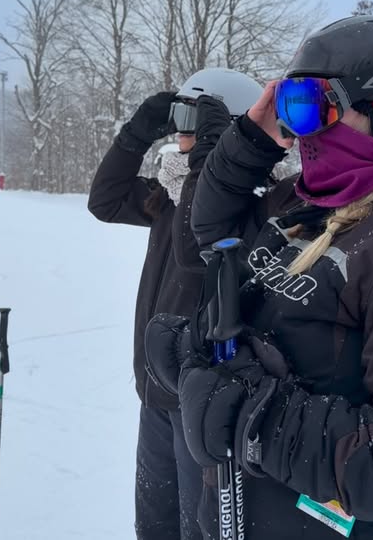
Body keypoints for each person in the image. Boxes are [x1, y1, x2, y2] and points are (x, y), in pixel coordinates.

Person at [146, 15, 373, 539]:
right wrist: (251, 136)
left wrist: (253, 417)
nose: (296, 134)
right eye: (289, 106)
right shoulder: (302, 203)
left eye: (310, 106)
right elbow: (211, 229)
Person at [87, 67, 262, 540]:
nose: (183, 134)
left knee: (195, 530)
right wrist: (136, 134)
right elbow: (104, 201)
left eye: (196, 122)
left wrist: (215, 157)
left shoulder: (250, 206)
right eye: (180, 120)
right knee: (154, 526)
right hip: (155, 394)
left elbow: (194, 250)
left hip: (202, 408)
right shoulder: (167, 196)